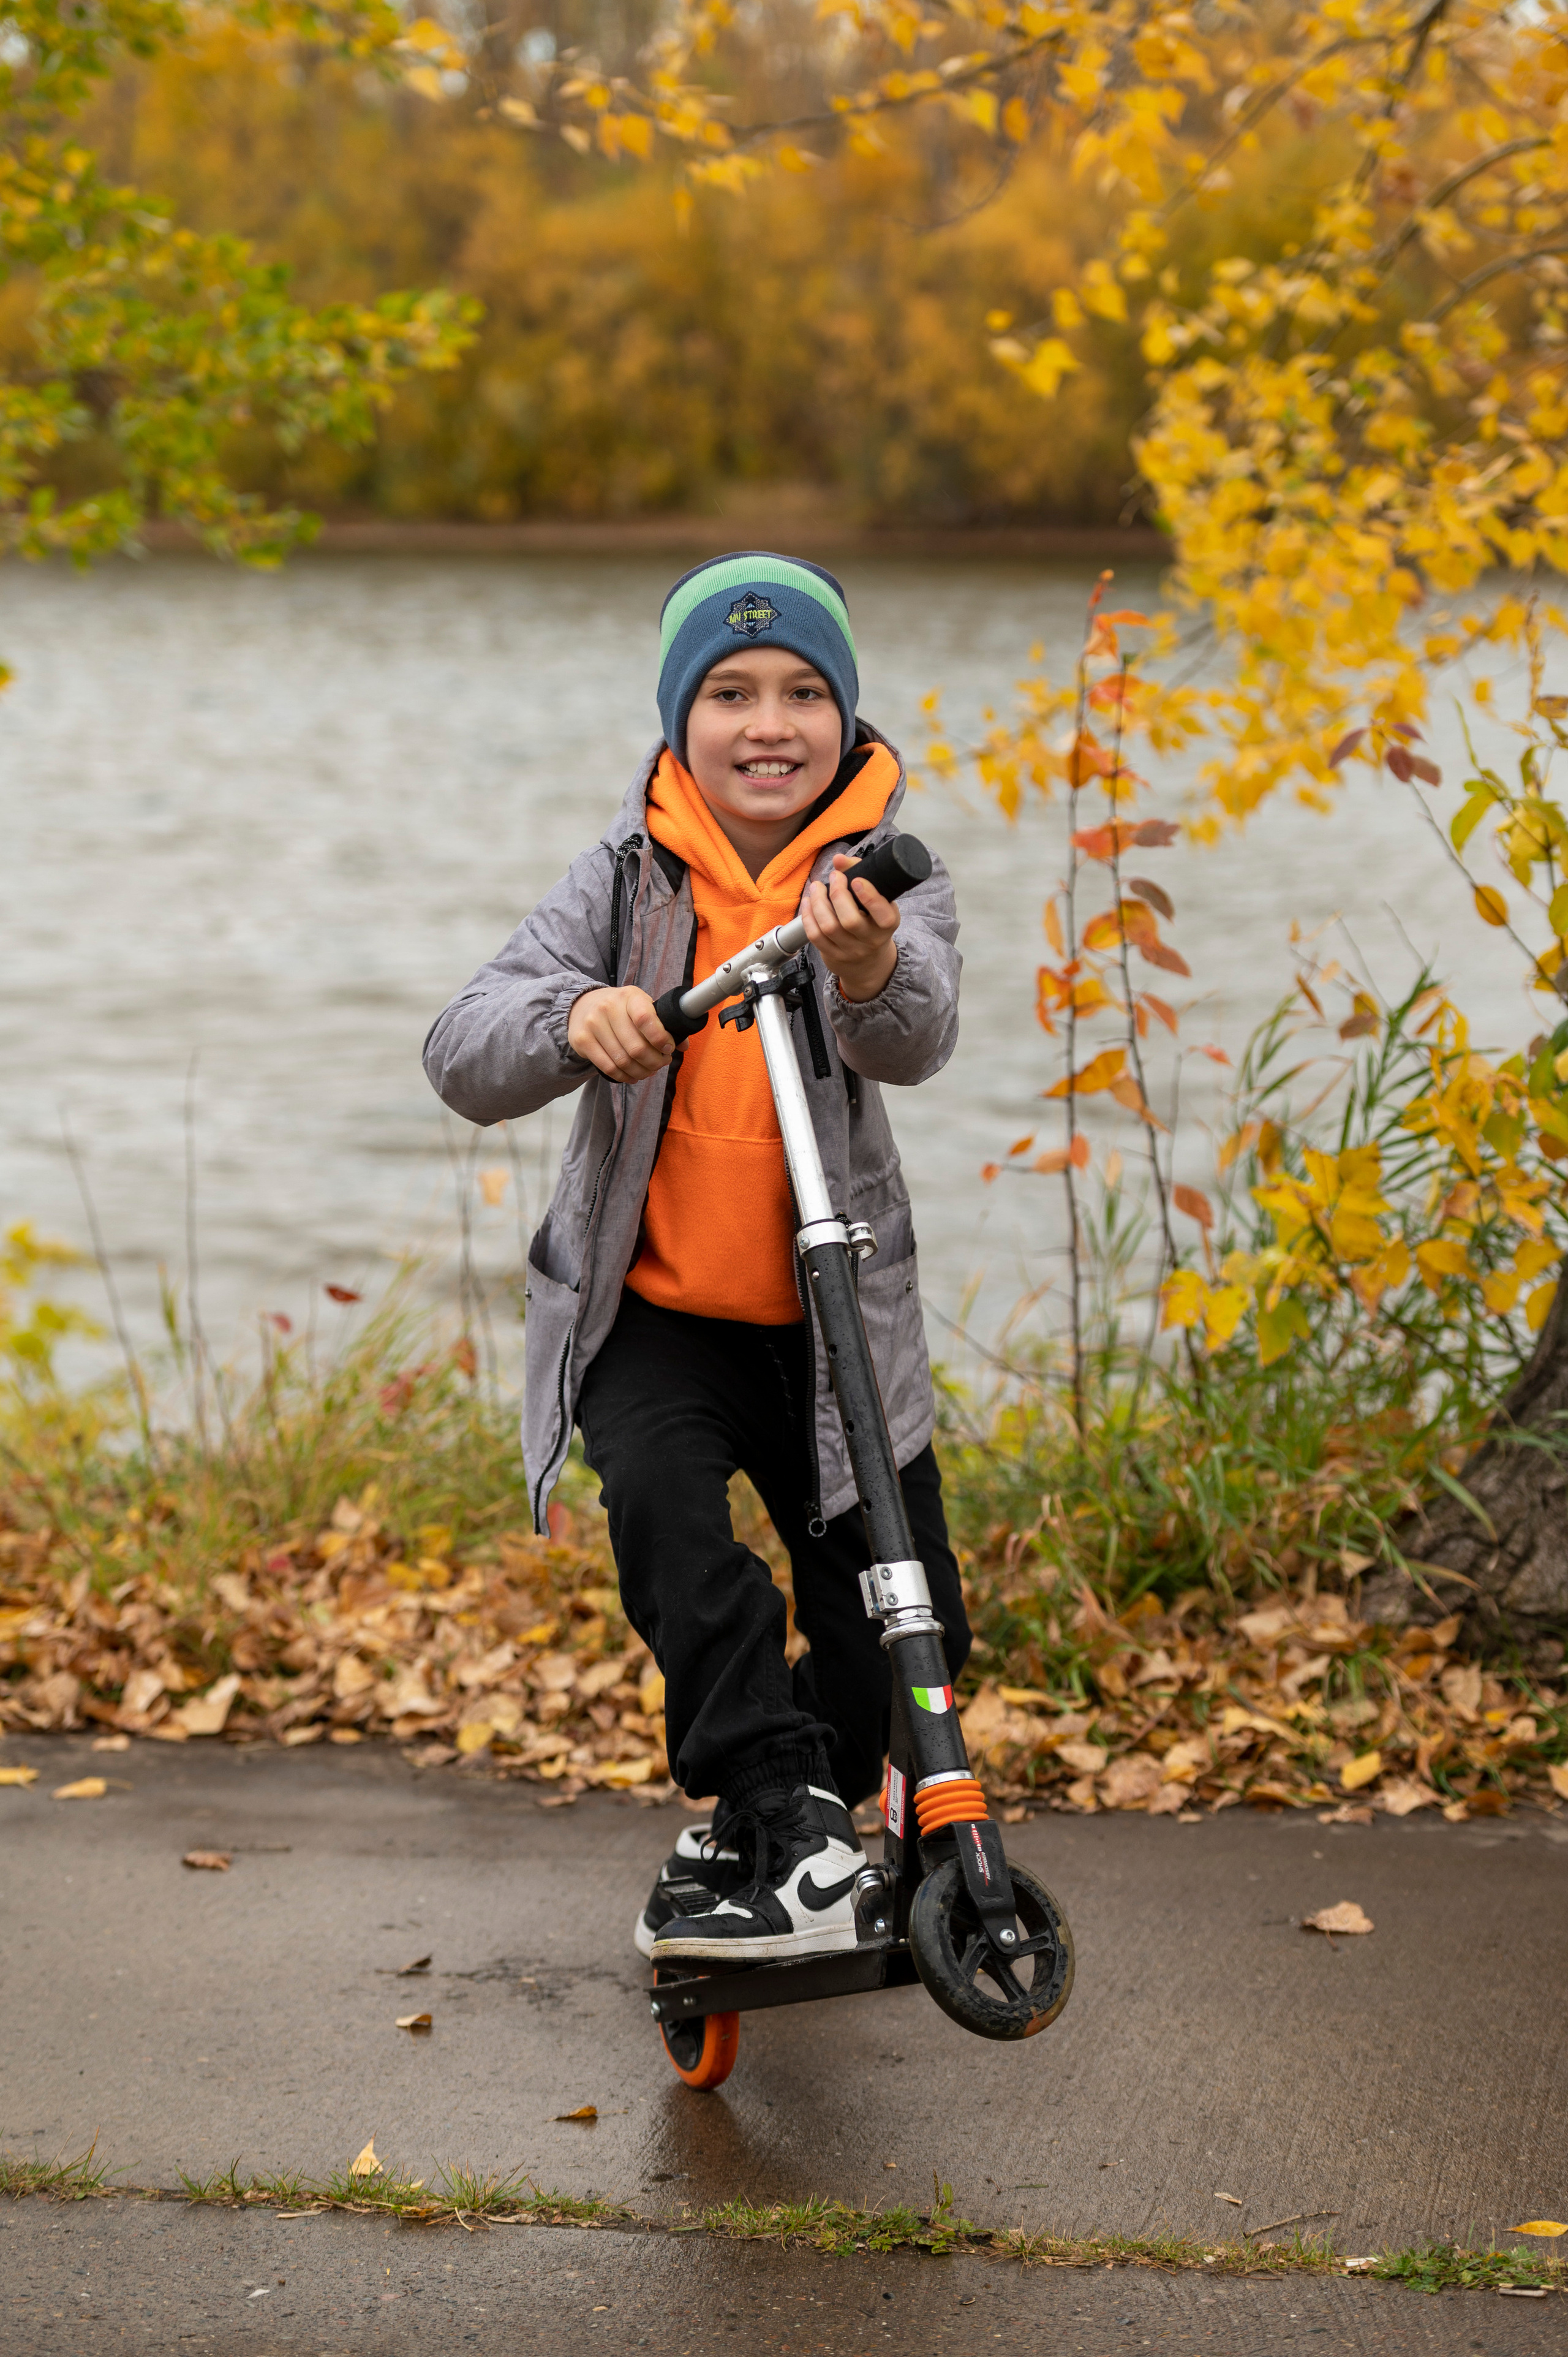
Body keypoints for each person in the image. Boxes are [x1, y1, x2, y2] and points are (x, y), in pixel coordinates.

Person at [423, 552, 969, 1965]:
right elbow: (461, 1047)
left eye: (801, 691)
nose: (766, 723)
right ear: (681, 719)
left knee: (908, 1640)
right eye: (728, 693)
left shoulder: (887, 876)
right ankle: (780, 1809)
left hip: (832, 1326)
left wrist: (863, 969)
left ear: (844, 719)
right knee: (672, 1527)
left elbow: (914, 1034)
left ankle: (767, 1820)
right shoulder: (618, 878)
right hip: (655, 1311)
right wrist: (577, 1018)